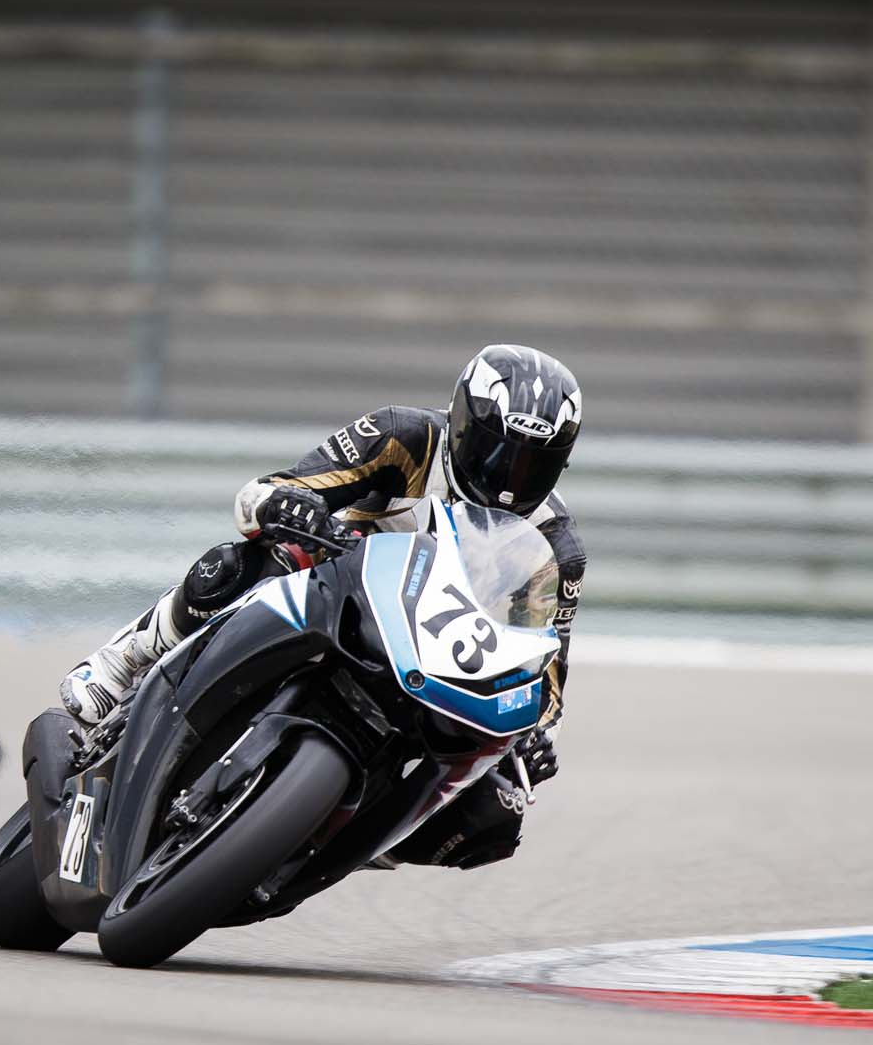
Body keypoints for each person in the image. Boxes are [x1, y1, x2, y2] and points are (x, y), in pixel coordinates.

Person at [60, 343, 586, 869]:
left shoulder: (556, 547)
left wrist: (537, 736)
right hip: (342, 589)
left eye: (531, 467)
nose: (508, 480)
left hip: (435, 664)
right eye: (498, 454)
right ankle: (124, 661)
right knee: (243, 563)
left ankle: (347, 838)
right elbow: (263, 494)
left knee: (499, 804)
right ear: (464, 426)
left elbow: (546, 667)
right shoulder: (403, 436)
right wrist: (286, 505)